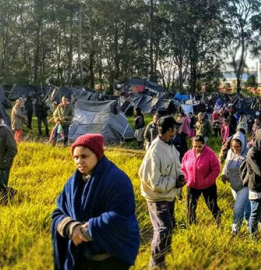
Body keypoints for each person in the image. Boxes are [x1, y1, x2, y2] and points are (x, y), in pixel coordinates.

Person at [52, 134, 140, 270]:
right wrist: (71, 227)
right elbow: (59, 211)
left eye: (84, 156)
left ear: (97, 154)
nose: (79, 161)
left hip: (112, 254)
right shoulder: (72, 183)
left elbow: (120, 215)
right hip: (81, 253)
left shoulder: (117, 179)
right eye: (76, 157)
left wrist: (85, 231)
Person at [138, 116, 184, 269]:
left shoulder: (170, 145)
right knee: (163, 228)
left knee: (169, 226)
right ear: (169, 129)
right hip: (157, 197)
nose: (177, 130)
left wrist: (180, 175)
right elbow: (153, 181)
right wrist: (174, 183)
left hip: (168, 195)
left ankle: (162, 258)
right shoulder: (155, 150)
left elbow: (176, 165)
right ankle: (156, 263)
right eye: (175, 128)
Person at [181, 135, 221, 225]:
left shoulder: (210, 154)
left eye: (200, 146)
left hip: (208, 186)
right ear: (192, 145)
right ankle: (192, 226)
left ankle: (219, 223)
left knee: (212, 206)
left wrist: (207, 181)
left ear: (204, 144)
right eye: (195, 146)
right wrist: (187, 179)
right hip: (192, 185)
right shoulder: (188, 154)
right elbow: (183, 168)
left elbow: (216, 169)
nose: (197, 148)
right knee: (190, 207)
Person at [220, 136, 250, 234]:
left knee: (237, 208)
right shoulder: (230, 152)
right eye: (233, 147)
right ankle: (250, 225)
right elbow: (226, 164)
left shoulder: (248, 154)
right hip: (233, 184)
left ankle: (235, 231)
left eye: (238, 147)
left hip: (244, 185)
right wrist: (224, 174)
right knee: (245, 208)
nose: (235, 149)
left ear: (243, 145)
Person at [0, 112, 17, 204]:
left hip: (3, 164)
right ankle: (11, 193)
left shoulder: (5, 131)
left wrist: (5, 161)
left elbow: (13, 149)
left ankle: (5, 203)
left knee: (1, 185)